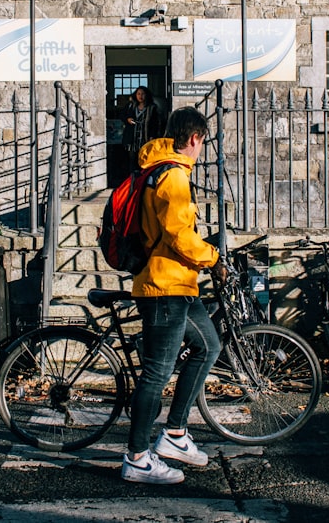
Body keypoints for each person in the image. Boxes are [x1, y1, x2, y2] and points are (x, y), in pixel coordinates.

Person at [120, 106, 228, 485]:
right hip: (164, 286)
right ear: (195, 139)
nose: (202, 150)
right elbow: (180, 236)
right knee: (156, 373)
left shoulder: (159, 169)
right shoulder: (173, 177)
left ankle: (176, 434)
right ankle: (136, 457)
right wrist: (213, 258)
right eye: (203, 143)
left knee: (208, 347)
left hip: (179, 284)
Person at [122, 86, 164, 169]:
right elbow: (122, 115)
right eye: (138, 94)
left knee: (144, 159)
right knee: (132, 160)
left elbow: (155, 123)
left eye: (143, 94)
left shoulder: (152, 107)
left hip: (145, 137)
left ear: (146, 95)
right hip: (132, 139)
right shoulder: (130, 106)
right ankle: (132, 178)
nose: (140, 96)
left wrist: (152, 136)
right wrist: (127, 119)